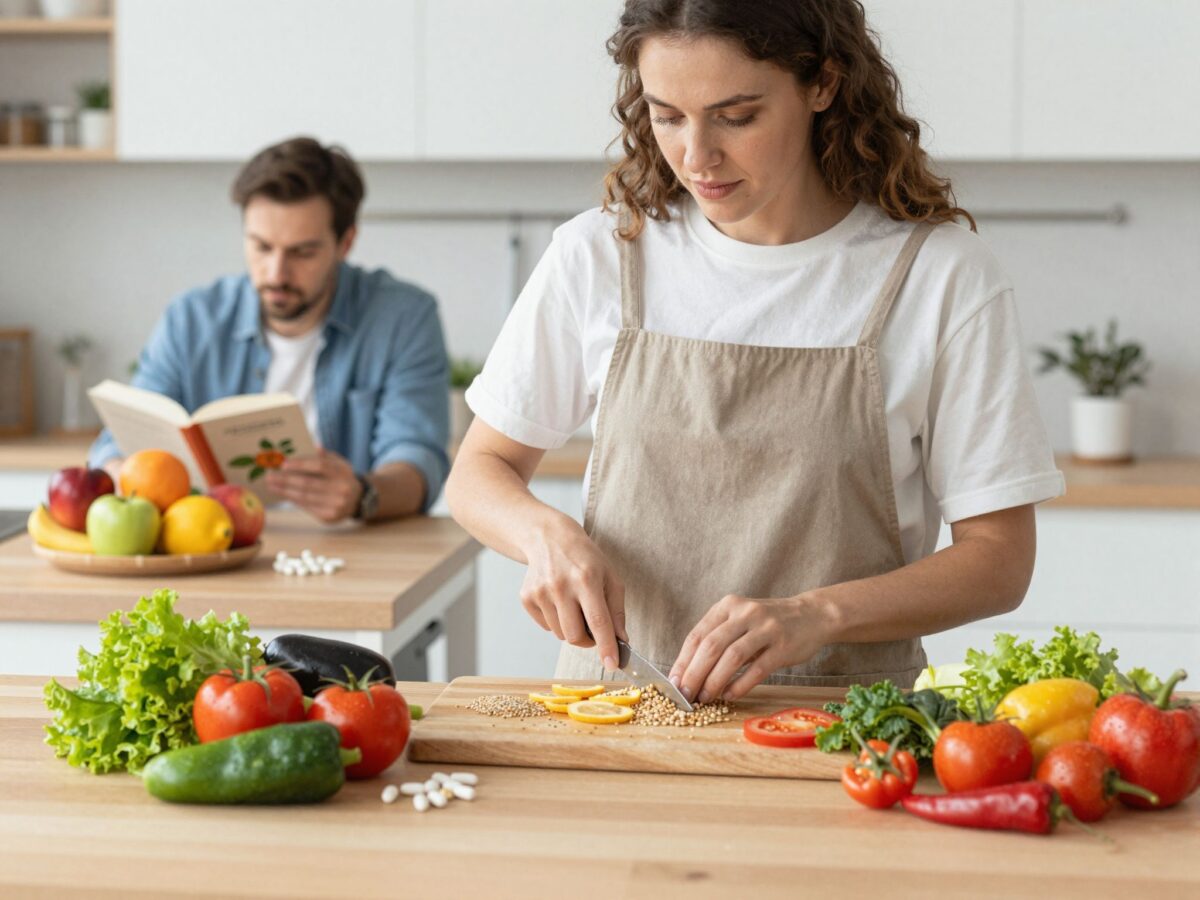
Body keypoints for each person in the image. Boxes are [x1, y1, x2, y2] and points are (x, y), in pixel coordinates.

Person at [446, 0, 1064, 703]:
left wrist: (817, 614)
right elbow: (478, 472)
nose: (696, 156)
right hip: (615, 711)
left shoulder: (940, 275)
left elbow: (1000, 562)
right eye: (667, 115)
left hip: (842, 726)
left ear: (823, 84)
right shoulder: (600, 254)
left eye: (736, 116)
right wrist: (543, 535)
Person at [89, 137, 450, 523]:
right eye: (261, 247)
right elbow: (122, 436)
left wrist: (364, 495)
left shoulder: (403, 317)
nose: (276, 273)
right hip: (211, 541)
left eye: (302, 252)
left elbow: (417, 457)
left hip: (349, 545)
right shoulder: (191, 319)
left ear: (345, 243)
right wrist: (115, 468)